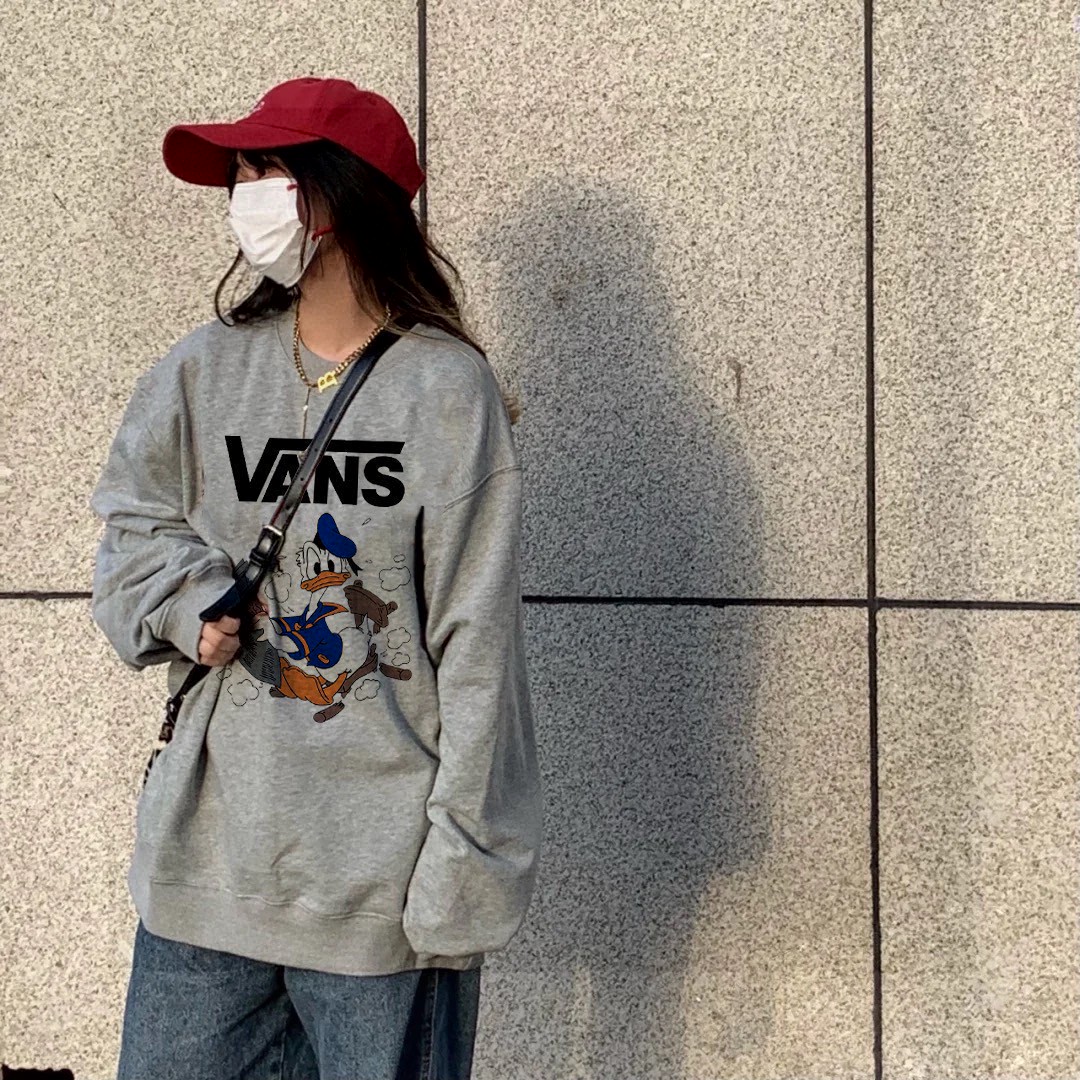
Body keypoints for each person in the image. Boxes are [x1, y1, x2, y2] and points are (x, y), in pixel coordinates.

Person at [88, 76, 543, 1080]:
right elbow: (131, 530)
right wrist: (185, 603)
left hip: (380, 894)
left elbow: (477, 646)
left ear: (337, 194)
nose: (241, 198)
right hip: (209, 875)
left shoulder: (445, 390)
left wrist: (461, 869)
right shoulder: (205, 370)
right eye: (240, 175)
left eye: (263, 172)